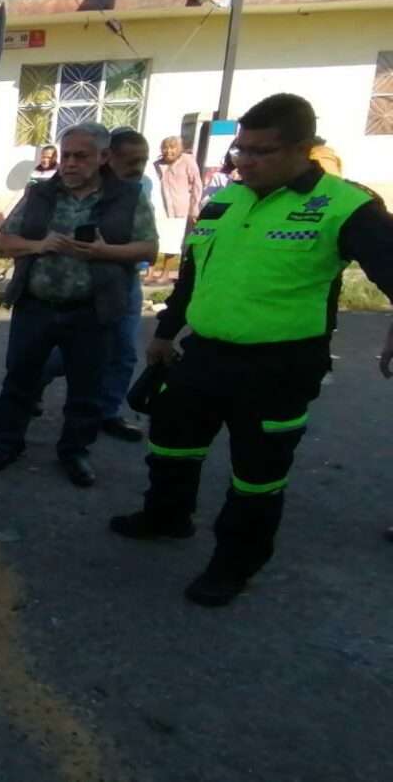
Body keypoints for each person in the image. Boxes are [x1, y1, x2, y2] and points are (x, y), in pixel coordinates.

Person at [109, 93, 393, 607]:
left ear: (303, 149)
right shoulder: (226, 201)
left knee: (257, 476)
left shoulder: (346, 205)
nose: (246, 162)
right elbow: (193, 278)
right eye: (242, 150)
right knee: (172, 443)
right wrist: (164, 333)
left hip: (279, 367)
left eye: (262, 152)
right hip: (204, 354)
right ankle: (167, 516)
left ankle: (235, 563)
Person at [0, 122, 158, 487]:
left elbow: (149, 248)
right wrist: (39, 245)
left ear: (104, 157)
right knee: (20, 378)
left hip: (93, 309)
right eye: (66, 156)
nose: (71, 164)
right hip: (37, 305)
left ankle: (75, 451)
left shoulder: (127, 197)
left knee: (86, 388)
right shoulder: (41, 195)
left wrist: (105, 252)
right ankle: (7, 444)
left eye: (81, 156)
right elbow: (4, 240)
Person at [35, 128, 153, 442]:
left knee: (124, 351)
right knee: (69, 355)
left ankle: (108, 412)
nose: (138, 167)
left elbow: (148, 245)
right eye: (131, 160)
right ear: (107, 159)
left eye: (143, 160)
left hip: (124, 283)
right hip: (87, 290)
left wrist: (112, 253)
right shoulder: (80, 191)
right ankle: (34, 385)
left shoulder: (137, 190)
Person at [150, 136, 203, 285]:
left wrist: (194, 208)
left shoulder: (188, 161)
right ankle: (150, 272)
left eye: (173, 147)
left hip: (180, 208)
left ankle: (166, 274)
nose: (169, 151)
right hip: (161, 207)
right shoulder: (157, 164)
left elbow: (197, 185)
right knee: (155, 239)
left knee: (172, 242)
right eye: (165, 147)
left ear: (180, 148)